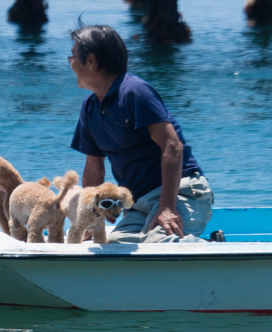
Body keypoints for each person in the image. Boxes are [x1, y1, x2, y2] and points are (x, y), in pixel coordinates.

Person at [67, 25, 214, 243]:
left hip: (179, 193)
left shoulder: (135, 92)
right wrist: (92, 216)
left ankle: (215, 251)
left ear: (91, 61)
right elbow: (93, 169)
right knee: (112, 246)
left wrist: (167, 206)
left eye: (72, 57)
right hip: (140, 203)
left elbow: (172, 146)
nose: (70, 64)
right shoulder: (89, 108)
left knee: (160, 245)